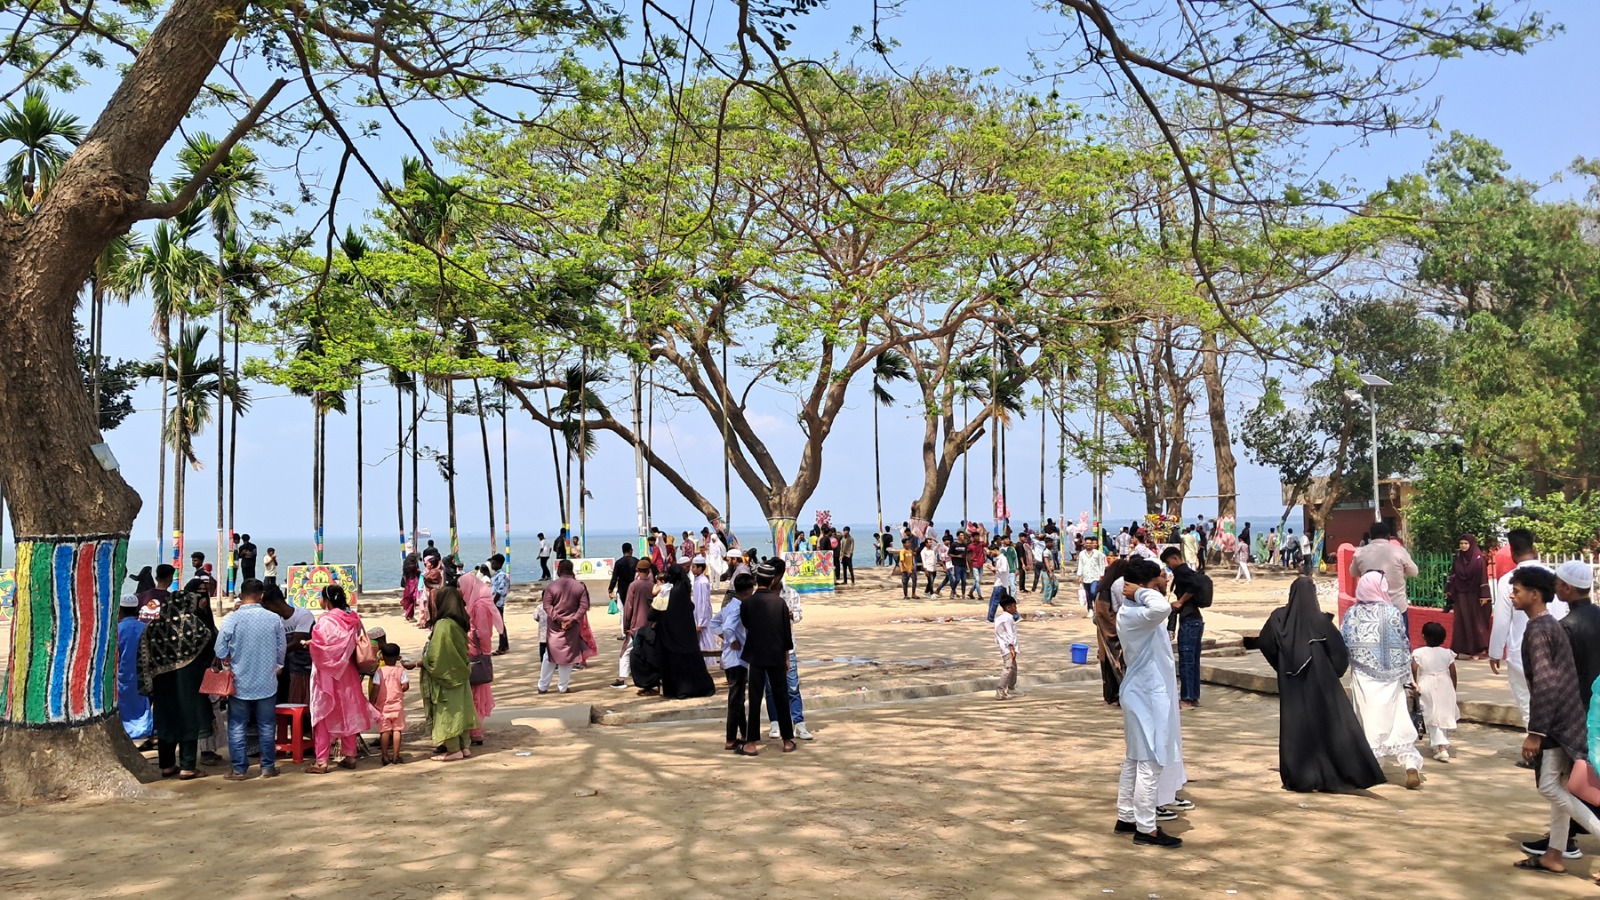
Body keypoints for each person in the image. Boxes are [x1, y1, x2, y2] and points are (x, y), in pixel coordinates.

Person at [1510, 565, 1600, 879]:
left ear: (1535, 594)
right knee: (1561, 787)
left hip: (1558, 721)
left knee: (1549, 786)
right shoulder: (1552, 625)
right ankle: (1553, 854)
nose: (1512, 595)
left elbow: (1547, 683)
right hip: (1574, 715)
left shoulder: (1540, 629)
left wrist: (1535, 732)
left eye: (1518, 590)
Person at [1258, 577, 1385, 792]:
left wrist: (1281, 665)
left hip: (1291, 683)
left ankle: (1302, 777)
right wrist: (1332, 674)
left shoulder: (1277, 619)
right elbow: (1339, 654)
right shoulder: (1320, 621)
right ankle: (1334, 773)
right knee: (1328, 725)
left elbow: (1264, 642)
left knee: (1296, 726)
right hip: (1321, 683)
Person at [1113, 559, 1185, 848]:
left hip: (1143, 693)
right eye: (1159, 579)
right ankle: (1146, 828)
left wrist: (1139, 591)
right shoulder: (1137, 612)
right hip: (1147, 696)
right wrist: (1139, 591)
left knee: (1135, 759)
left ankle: (1126, 816)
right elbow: (1162, 607)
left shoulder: (1135, 612)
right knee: (1151, 762)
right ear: (1144, 586)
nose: (1165, 580)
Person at [1341, 571, 1423, 789]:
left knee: (1368, 720)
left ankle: (1372, 764)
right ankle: (1409, 764)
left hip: (1363, 676)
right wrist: (1409, 678)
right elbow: (1403, 646)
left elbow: (1345, 643)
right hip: (1392, 677)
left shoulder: (1352, 614)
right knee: (1398, 717)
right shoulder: (1392, 612)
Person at [138, 579, 216, 780]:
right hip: (188, 679)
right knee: (188, 719)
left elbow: (142, 656)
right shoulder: (194, 624)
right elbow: (209, 640)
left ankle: (166, 765)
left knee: (165, 720)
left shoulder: (152, 628)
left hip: (160, 681)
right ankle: (188, 765)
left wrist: (146, 682)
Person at [213, 578, 286, 781]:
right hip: (267, 680)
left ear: (240, 595)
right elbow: (281, 648)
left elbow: (219, 650)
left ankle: (239, 769)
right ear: (261, 595)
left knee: (237, 725)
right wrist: (278, 666)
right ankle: (268, 767)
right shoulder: (274, 619)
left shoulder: (231, 619)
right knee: (266, 724)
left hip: (239, 680)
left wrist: (228, 662)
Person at [305, 584, 378, 774]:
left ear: (327, 600)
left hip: (325, 673)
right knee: (349, 710)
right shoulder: (353, 619)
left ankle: (322, 761)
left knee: (322, 713)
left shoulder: (324, 622)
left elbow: (321, 647)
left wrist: (309, 644)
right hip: (348, 671)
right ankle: (351, 755)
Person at [1490, 528, 1553, 727]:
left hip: (1520, 652)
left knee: (1528, 705)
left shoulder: (1508, 581)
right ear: (1534, 548)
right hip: (1554, 649)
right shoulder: (1555, 575)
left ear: (1512, 554)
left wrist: (1495, 652)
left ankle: (1535, 750)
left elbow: (1501, 619)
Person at [739, 561, 796, 756]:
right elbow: (786, 633)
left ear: (756, 580)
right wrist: (787, 656)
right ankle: (787, 740)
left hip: (756, 655)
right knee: (781, 696)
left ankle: (751, 742)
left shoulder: (747, 603)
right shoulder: (780, 603)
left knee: (754, 699)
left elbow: (746, 625)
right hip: (776, 654)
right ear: (772, 581)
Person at [421, 586, 477, 761]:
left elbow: (435, 655)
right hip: (460, 672)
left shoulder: (443, 625)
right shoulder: (460, 624)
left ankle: (453, 750)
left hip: (446, 675)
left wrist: (421, 661)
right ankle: (464, 746)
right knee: (461, 709)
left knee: (448, 711)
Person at [763, 559, 816, 741]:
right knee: (770, 689)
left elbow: (799, 615)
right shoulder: (762, 594)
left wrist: (791, 615)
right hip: (768, 648)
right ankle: (775, 722)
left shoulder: (791, 593)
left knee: (792, 686)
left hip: (788, 647)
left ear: (780, 575)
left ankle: (798, 723)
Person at [652, 563, 715, 699]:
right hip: (687, 634)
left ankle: (681, 689)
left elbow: (661, 612)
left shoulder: (672, 592)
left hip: (673, 635)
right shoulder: (683, 590)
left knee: (676, 664)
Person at [1160, 546, 1210, 709]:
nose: (1169, 567)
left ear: (1175, 558)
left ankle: (1187, 697)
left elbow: (1194, 585)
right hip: (1193, 620)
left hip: (1190, 620)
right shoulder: (1183, 572)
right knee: (1193, 660)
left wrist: (1181, 601)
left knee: (1187, 660)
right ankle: (1193, 695)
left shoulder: (1182, 571)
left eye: (1169, 563)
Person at [713, 573, 755, 750]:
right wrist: (732, 641)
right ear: (746, 591)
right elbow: (728, 627)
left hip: (732, 659)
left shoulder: (729, 606)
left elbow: (714, 624)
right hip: (736, 659)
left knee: (737, 698)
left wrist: (725, 636)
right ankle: (730, 738)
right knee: (736, 699)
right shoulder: (737, 608)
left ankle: (743, 733)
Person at [540, 560, 595, 694]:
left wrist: (558, 619)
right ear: (571, 570)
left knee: (550, 654)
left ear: (559, 570)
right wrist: (572, 620)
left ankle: (543, 686)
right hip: (572, 626)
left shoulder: (551, 587)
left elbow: (547, 606)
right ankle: (562, 687)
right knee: (568, 656)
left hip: (554, 627)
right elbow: (584, 606)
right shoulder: (579, 587)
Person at [460, 574, 502, 745]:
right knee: (473, 692)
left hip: (477, 652)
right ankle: (473, 728)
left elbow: (483, 633)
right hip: (475, 651)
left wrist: (469, 635)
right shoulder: (475, 603)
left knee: (476, 693)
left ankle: (475, 730)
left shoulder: (479, 606)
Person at [1412, 622, 1458, 762]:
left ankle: (1441, 747)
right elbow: (1453, 672)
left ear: (1423, 636)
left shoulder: (1418, 652)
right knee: (1442, 713)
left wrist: (1414, 684)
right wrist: (1453, 688)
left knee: (1431, 713)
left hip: (1426, 682)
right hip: (1445, 683)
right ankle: (1440, 743)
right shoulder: (1447, 653)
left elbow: (1414, 669)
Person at [261, 583, 313, 703]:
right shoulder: (278, 621)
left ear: (272, 604)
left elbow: (297, 643)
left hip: (305, 669)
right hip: (287, 669)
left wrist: (274, 653)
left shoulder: (303, 615)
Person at [116, 594, 154, 745]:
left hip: (122, 674)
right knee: (142, 703)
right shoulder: (145, 628)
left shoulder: (117, 630)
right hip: (142, 674)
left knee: (124, 704)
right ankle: (143, 730)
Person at [1447, 534, 1491, 658]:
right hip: (1460, 594)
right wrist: (1449, 589)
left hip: (1475, 595)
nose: (1463, 546)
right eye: (1461, 543)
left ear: (1471, 544)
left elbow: (1483, 576)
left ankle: (1479, 649)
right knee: (1461, 621)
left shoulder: (1479, 558)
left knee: (1476, 621)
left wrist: (1484, 595)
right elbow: (1453, 574)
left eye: (1466, 543)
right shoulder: (1458, 557)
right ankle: (1461, 649)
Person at [1095, 552, 1127, 705]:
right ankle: (1116, 694)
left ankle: (1114, 694)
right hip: (1109, 632)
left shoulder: (1106, 587)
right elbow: (1103, 613)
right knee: (1114, 662)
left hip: (1108, 629)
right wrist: (1118, 630)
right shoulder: (1106, 590)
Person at [372, 643, 409, 764]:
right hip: (397, 705)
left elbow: (376, 688)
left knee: (385, 731)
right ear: (398, 658)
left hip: (383, 706)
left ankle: (384, 756)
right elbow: (405, 686)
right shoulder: (401, 671)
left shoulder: (379, 672)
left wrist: (372, 701)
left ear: (382, 657)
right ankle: (396, 756)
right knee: (397, 730)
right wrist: (399, 690)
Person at [692, 555, 718, 665]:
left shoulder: (703, 582)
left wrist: (701, 621)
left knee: (706, 640)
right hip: (697, 615)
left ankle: (709, 663)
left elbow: (703, 602)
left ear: (700, 568)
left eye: (694, 567)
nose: (692, 569)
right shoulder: (697, 580)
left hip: (702, 617)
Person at [994, 594, 1019, 700]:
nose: (1016, 608)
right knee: (1008, 668)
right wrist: (1012, 647)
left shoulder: (1000, 618)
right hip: (1008, 647)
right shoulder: (1008, 618)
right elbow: (1010, 634)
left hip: (1004, 645)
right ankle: (1000, 691)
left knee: (1013, 667)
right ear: (1008, 607)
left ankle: (1011, 687)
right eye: (1014, 606)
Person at [488, 553, 511, 655]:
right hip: (494, 603)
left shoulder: (502, 576)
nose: (492, 564)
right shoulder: (496, 575)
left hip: (497, 604)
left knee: (499, 624)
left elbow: (500, 590)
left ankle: (502, 647)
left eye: (493, 563)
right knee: (500, 624)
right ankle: (504, 644)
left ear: (498, 563)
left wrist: (493, 603)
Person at [1077, 536, 1106, 614]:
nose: (1088, 545)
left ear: (1093, 544)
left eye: (1090, 543)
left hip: (1095, 576)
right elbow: (1080, 564)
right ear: (1084, 544)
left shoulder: (1098, 554)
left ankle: (1096, 606)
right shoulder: (1081, 554)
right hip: (1086, 576)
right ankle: (1090, 609)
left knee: (1093, 592)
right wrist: (1079, 575)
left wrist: (1102, 575)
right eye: (1087, 543)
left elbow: (1101, 564)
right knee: (1088, 593)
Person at [986, 541, 1013, 623]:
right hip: (1001, 582)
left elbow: (1004, 570)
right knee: (1006, 601)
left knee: (994, 601)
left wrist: (995, 569)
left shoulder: (1002, 558)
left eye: (991, 552)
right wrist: (992, 569)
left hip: (1000, 583)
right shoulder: (997, 559)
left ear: (995, 550)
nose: (991, 554)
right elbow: (998, 572)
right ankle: (1015, 615)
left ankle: (990, 618)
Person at [401, 553, 422, 622]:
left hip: (408, 583)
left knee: (408, 599)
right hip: (412, 583)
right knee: (412, 600)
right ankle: (410, 616)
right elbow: (417, 572)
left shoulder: (406, 566)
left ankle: (408, 614)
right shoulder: (413, 566)